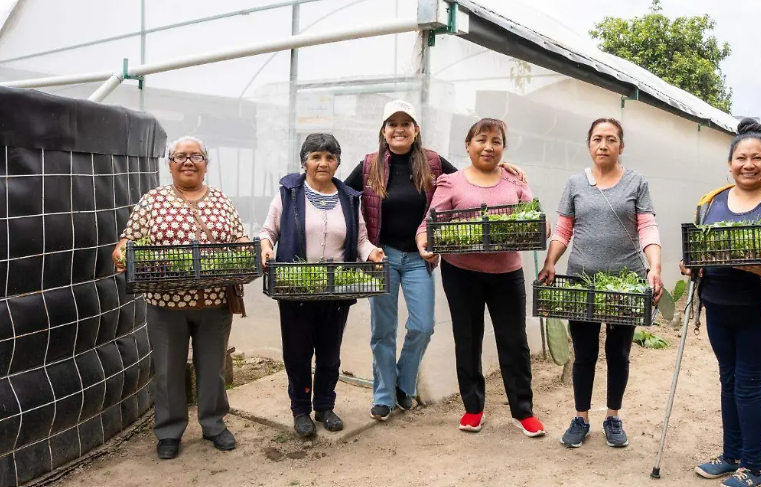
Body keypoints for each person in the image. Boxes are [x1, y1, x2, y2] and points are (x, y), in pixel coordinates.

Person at [344, 100, 526, 420]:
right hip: (382, 257)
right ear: (384, 131)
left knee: (423, 326)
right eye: (392, 123)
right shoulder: (370, 164)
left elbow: (472, 181)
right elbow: (343, 197)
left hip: (418, 259)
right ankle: (386, 395)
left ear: (416, 131)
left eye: (406, 123)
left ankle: (404, 380)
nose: (399, 129)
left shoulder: (432, 163)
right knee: (383, 330)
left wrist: (503, 170)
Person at [681, 119, 761, 487]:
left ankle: (753, 467)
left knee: (748, 385)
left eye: (758, 158)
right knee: (728, 381)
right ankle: (730, 456)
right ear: (729, 163)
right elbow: (698, 253)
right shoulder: (709, 204)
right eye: (741, 158)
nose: (748, 165)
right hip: (718, 310)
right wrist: (692, 267)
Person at [112, 136, 248, 460]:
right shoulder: (152, 201)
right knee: (168, 369)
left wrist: (247, 251)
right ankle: (170, 430)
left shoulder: (221, 200)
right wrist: (122, 254)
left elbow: (241, 237)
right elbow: (126, 242)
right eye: (180, 156)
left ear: (206, 164)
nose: (188, 161)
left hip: (214, 303)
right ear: (170, 164)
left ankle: (214, 424)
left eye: (196, 156)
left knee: (212, 367)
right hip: (165, 304)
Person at [414, 118, 545, 437]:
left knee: (514, 341)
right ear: (468, 145)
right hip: (462, 274)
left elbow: (532, 219)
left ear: (503, 147)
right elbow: (428, 225)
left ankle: (522, 411)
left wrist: (542, 227)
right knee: (468, 338)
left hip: (507, 273)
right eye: (481, 140)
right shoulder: (451, 182)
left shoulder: (515, 181)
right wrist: (424, 244)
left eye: (496, 141)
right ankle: (473, 408)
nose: (489, 146)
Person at [537, 118, 663, 450]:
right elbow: (563, 229)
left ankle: (613, 417)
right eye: (597, 139)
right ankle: (581, 418)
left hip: (626, 283)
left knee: (618, 353)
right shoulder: (575, 183)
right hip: (583, 281)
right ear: (589, 145)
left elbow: (647, 227)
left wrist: (655, 267)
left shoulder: (637, 182)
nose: (603, 145)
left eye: (610, 139)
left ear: (621, 146)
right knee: (585, 353)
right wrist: (551, 261)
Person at [259, 133, 385, 438]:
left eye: (330, 157)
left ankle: (325, 406)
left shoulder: (348, 198)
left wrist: (372, 253)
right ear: (305, 161)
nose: (323, 163)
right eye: (316, 157)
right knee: (297, 352)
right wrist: (265, 247)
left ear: (337, 162)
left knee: (330, 353)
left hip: (336, 289)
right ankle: (301, 409)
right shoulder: (288, 193)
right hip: (295, 287)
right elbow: (269, 230)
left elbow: (361, 240)